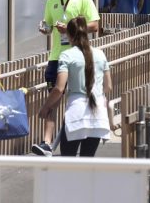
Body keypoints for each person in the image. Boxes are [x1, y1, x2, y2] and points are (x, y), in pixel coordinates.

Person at [33, 0, 100, 157]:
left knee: (79, 96)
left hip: (79, 55)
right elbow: (47, 23)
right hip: (56, 55)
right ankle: (46, 142)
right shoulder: (51, 0)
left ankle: (80, 133)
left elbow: (95, 25)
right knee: (54, 95)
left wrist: (71, 29)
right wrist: (46, 28)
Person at [38, 17, 111, 157]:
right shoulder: (100, 54)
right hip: (98, 113)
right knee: (87, 161)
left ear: (69, 34)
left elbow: (59, 88)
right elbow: (108, 86)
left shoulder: (67, 55)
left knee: (68, 161)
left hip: (76, 112)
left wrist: (46, 107)